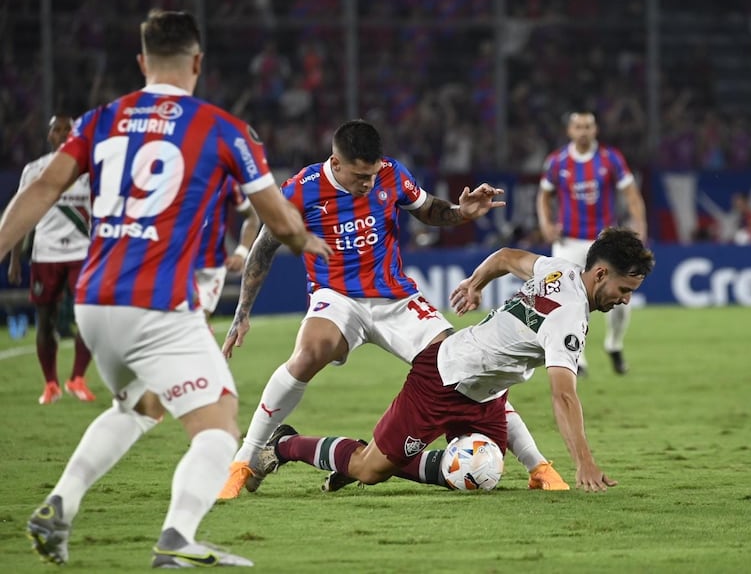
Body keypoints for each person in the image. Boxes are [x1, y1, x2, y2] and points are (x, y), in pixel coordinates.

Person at [0, 9, 331, 568]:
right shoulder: (225, 129)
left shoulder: (101, 119)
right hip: (158, 303)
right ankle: (177, 537)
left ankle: (59, 504)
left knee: (139, 405)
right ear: (198, 62)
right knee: (220, 424)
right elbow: (277, 214)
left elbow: (43, 188)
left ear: (141, 62)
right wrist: (304, 239)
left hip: (94, 300)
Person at [218, 118, 569, 500]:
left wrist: (460, 212)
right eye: (359, 176)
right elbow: (265, 246)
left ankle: (537, 465)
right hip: (337, 296)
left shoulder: (391, 175)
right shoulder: (301, 189)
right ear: (335, 164)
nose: (368, 183)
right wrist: (242, 313)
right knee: (309, 352)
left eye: (371, 174)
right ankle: (245, 461)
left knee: (470, 365)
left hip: (397, 299)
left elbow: (430, 210)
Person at [248, 228, 655, 494]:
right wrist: (585, 462)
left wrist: (476, 282)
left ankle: (381, 458)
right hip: (443, 380)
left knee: (481, 473)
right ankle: (286, 445)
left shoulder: (561, 270)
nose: (625, 300)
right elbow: (564, 397)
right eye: (624, 288)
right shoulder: (570, 317)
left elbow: (506, 256)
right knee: (369, 470)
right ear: (600, 274)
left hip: (484, 395)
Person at [537, 111, 647, 376]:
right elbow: (544, 196)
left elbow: (631, 194)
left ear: (595, 130)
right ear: (570, 131)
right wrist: (545, 224)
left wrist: (639, 227)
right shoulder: (557, 161)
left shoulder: (610, 159)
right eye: (578, 126)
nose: (583, 131)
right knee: (567, 301)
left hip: (604, 242)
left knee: (621, 297)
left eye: (588, 126)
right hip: (568, 242)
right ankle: (578, 358)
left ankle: (614, 344)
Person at [7, 115, 96, 404]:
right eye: (57, 129)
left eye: (68, 130)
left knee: (88, 317)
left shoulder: (89, 170)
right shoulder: (34, 171)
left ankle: (78, 378)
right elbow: (22, 215)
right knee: (46, 321)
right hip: (45, 254)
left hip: (82, 254)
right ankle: (51, 384)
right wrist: (13, 259)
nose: (62, 134)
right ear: (49, 136)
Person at [195, 175, 260, 327]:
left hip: (210, 269)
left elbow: (252, 217)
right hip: (178, 266)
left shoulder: (226, 181)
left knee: (198, 323)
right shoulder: (174, 174)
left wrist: (241, 252)